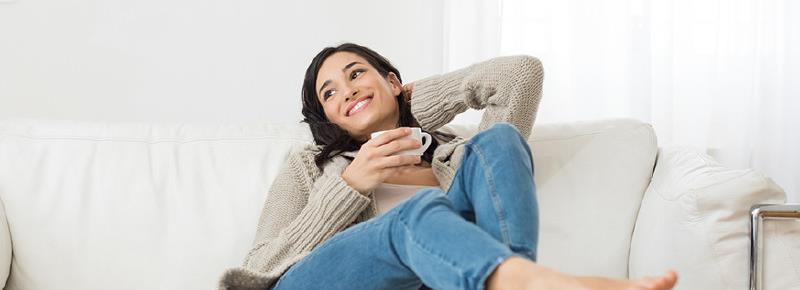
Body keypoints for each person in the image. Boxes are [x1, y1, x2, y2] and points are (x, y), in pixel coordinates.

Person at [218, 43, 678, 290]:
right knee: (416, 216)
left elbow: (520, 73)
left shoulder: (456, 156)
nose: (348, 91)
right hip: (317, 283)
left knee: (499, 138)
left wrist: (415, 107)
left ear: (392, 81)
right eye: (330, 92)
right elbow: (259, 268)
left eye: (357, 73)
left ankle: (515, 279)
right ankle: (532, 281)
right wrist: (349, 185)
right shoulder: (310, 166)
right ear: (328, 116)